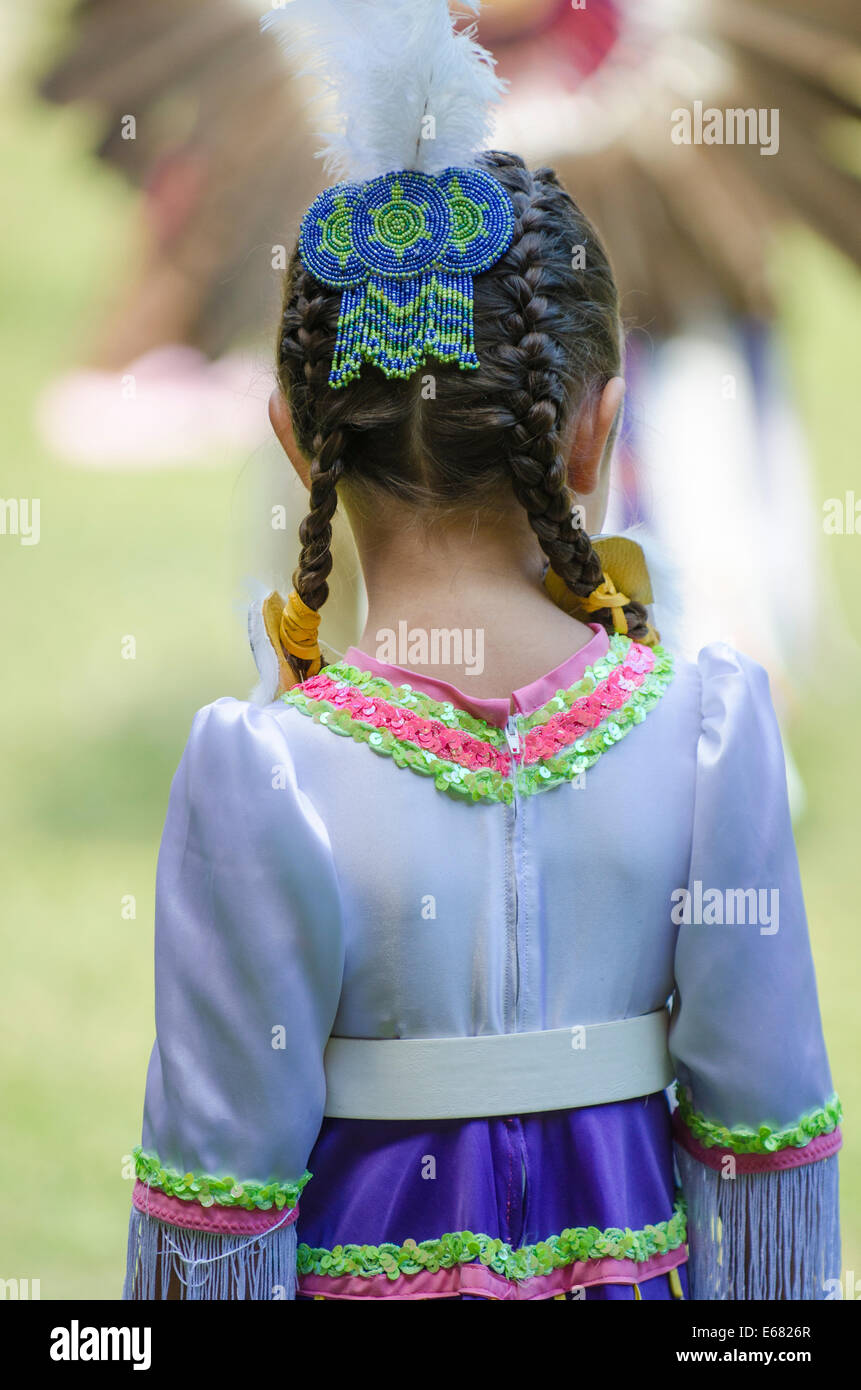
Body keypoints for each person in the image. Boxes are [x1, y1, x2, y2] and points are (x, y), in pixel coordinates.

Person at [123, 0, 841, 1301]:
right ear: (596, 434)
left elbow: (213, 1197)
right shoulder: (710, 734)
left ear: (296, 440)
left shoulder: (261, 774)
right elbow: (765, 1151)